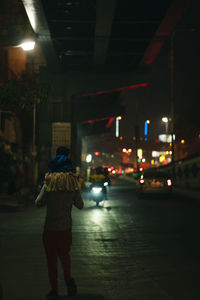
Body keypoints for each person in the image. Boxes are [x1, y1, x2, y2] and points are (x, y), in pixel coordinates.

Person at [35, 146, 84, 298]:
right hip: (65, 229)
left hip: (50, 228)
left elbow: (38, 202)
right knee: (65, 258)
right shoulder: (72, 183)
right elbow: (80, 205)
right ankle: (69, 283)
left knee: (51, 261)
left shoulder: (49, 182)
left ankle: (54, 289)